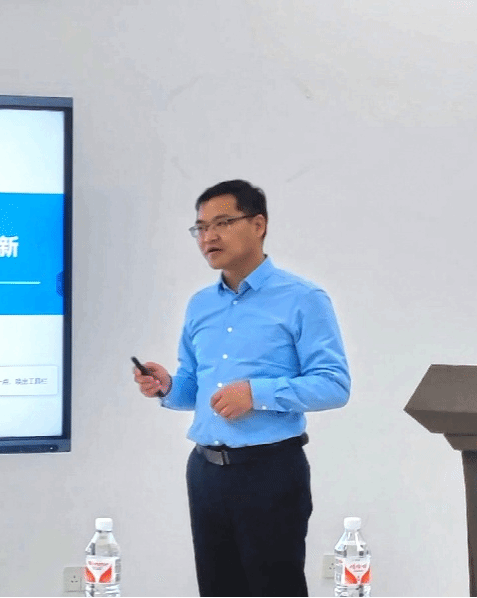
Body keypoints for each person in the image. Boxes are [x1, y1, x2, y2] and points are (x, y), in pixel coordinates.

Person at [133, 179, 351, 597]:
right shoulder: (200, 305)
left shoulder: (303, 298)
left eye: (222, 223)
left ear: (258, 225)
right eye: (200, 228)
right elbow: (193, 387)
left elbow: (333, 384)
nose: (208, 237)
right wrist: (166, 386)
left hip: (270, 472)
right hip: (205, 473)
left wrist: (256, 393)